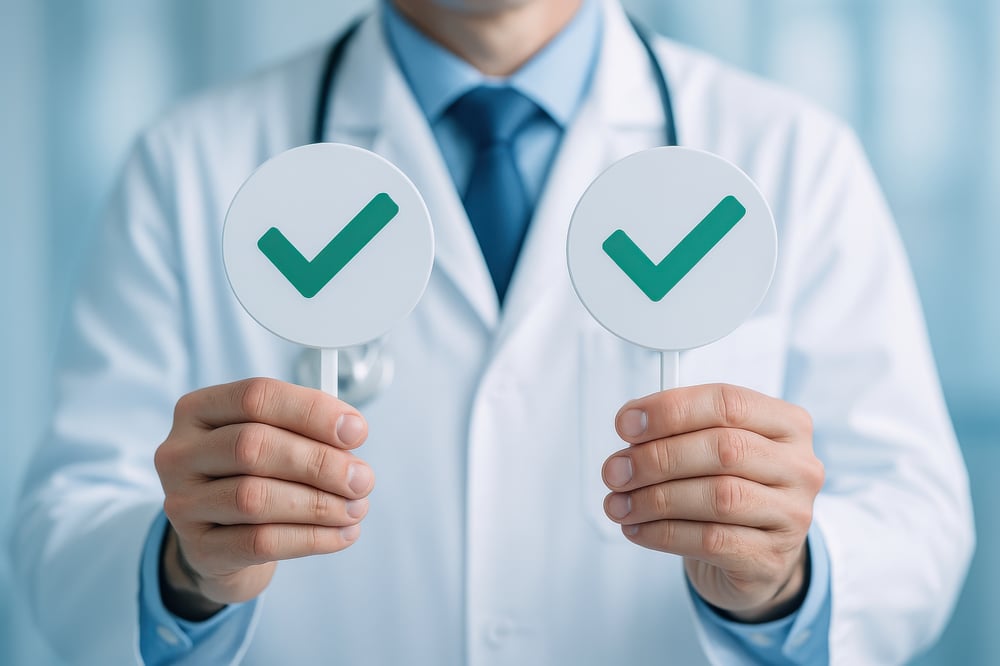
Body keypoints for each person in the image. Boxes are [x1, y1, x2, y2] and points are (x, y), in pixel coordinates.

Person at [10, 0, 974, 664]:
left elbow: (920, 523)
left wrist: (788, 578)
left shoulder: (788, 155)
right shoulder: (194, 161)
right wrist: (182, 569)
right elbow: (63, 532)